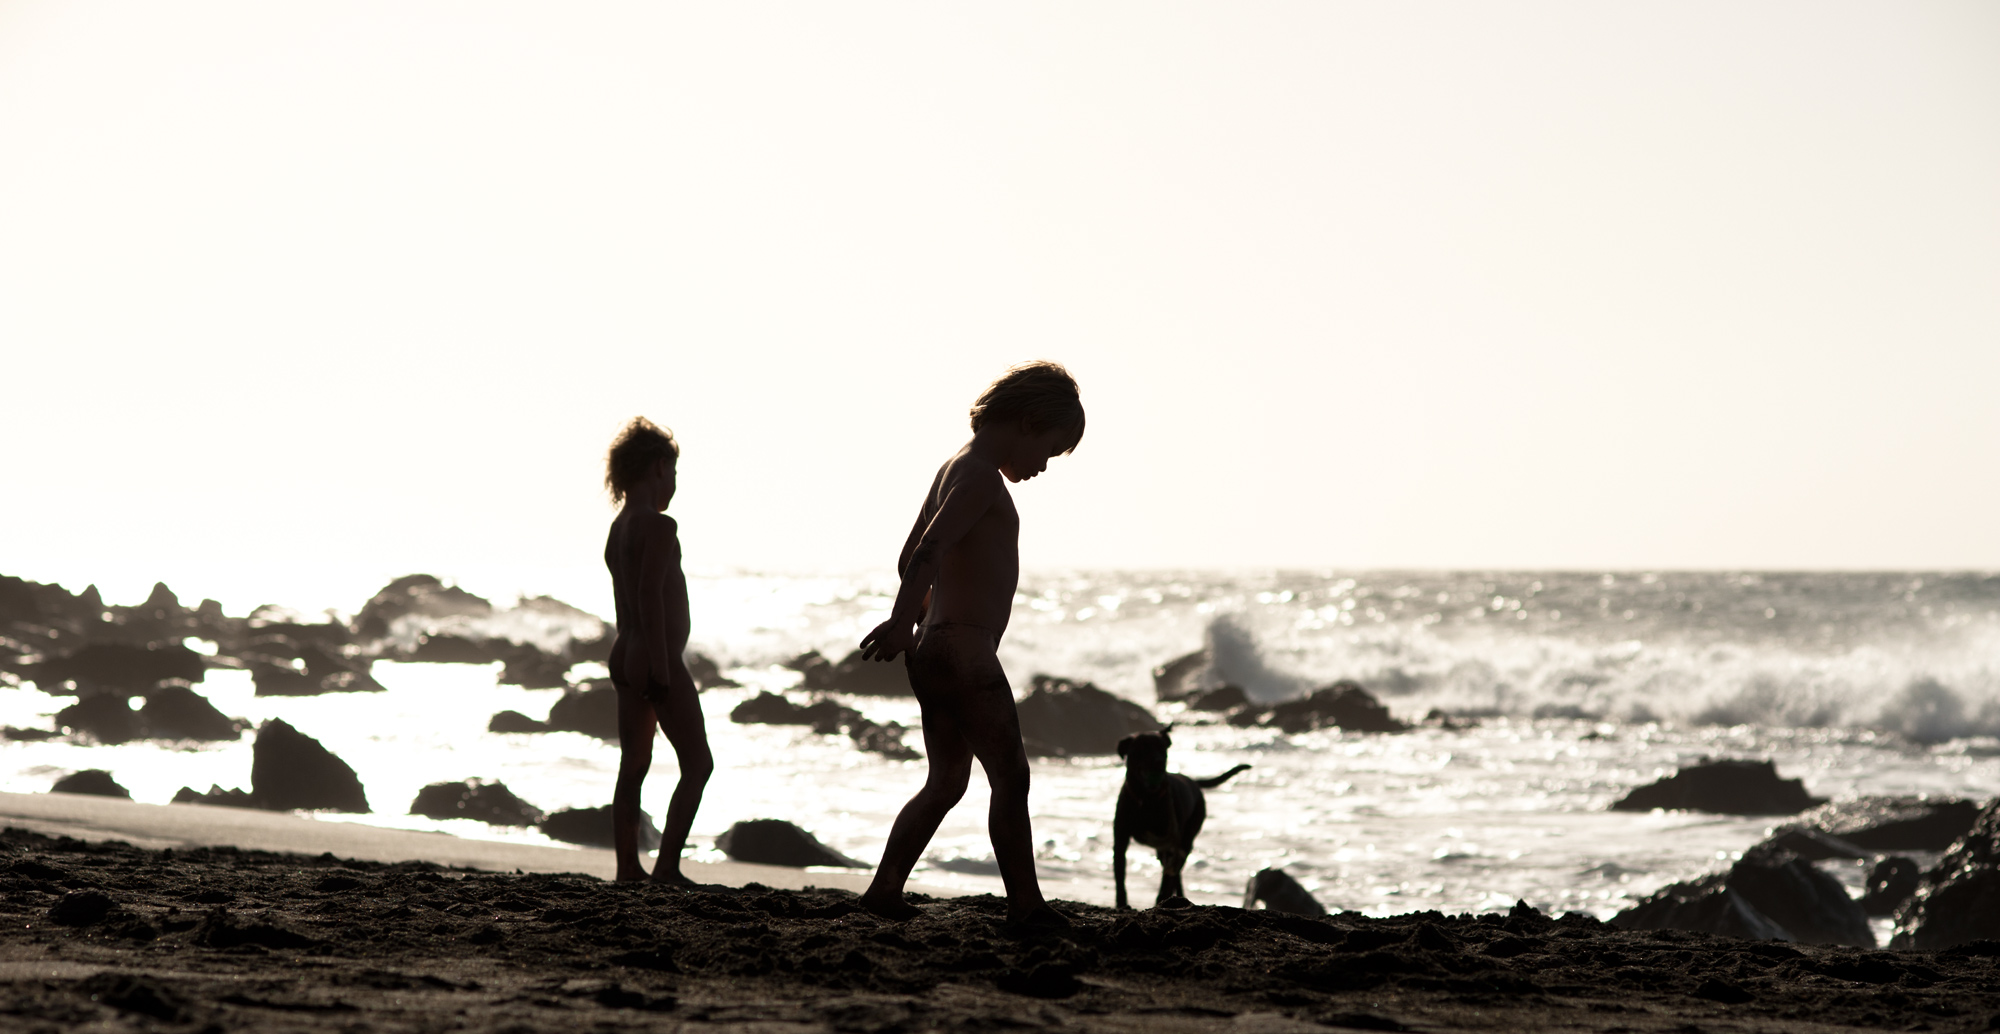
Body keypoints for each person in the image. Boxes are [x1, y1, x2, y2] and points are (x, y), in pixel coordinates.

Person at [857, 361, 1085, 925]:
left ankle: (884, 891)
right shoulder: (981, 477)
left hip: (935, 648)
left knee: (946, 781)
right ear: (1029, 422)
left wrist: (917, 624)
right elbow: (930, 552)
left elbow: (911, 555)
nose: (1042, 468)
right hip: (964, 652)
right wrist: (900, 618)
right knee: (1011, 775)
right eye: (1049, 453)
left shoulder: (952, 468)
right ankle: (1027, 907)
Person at [603, 417, 713, 883]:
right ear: (658, 468)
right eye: (672, 473)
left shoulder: (619, 527)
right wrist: (664, 666)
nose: (673, 485)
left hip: (624, 651)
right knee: (698, 764)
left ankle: (628, 867)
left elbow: (626, 600)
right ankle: (667, 866)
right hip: (653, 655)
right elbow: (650, 595)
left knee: (634, 766)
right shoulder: (659, 526)